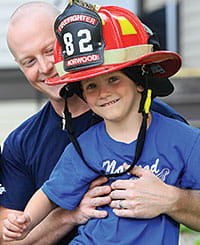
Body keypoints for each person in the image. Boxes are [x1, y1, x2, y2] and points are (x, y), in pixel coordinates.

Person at [0, 1, 199, 245]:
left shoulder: (167, 125)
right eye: (29, 61)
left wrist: (173, 199)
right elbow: (12, 239)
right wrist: (68, 216)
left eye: (50, 50)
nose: (45, 68)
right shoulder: (27, 143)